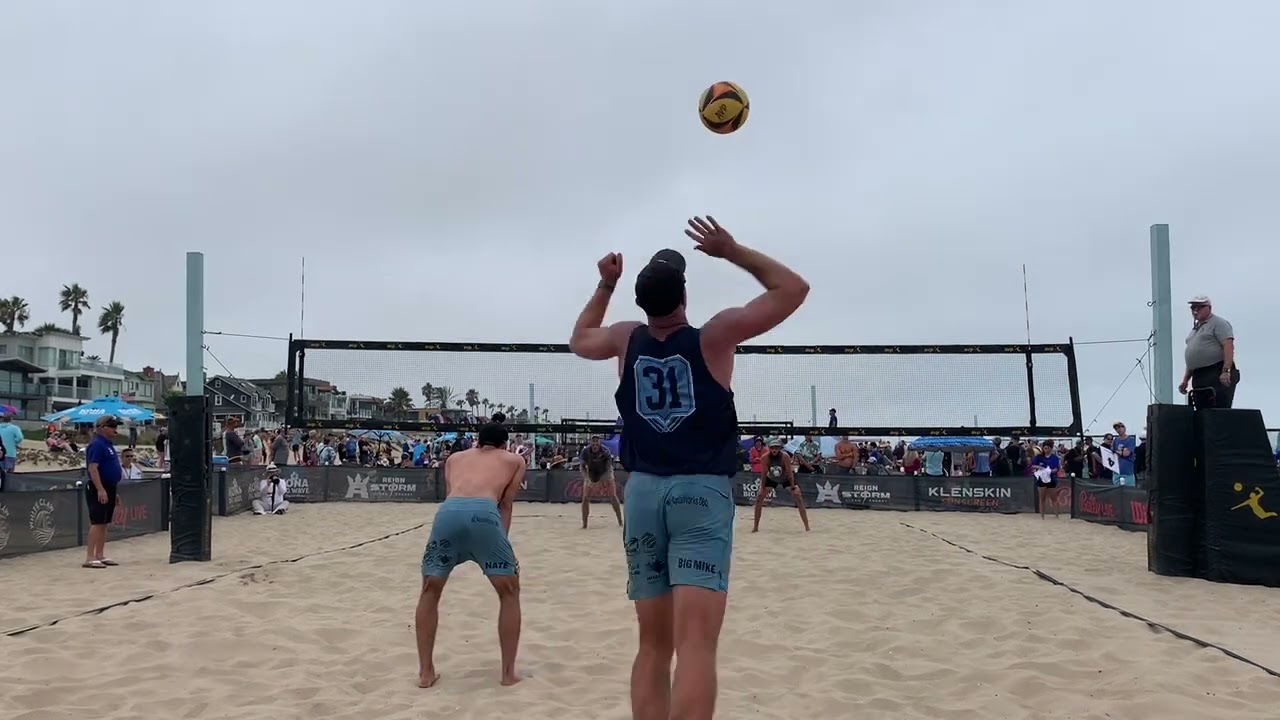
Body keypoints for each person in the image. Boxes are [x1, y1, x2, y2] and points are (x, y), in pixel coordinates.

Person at [567, 215, 809, 720]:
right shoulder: (713, 337)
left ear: (640, 301)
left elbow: (578, 338)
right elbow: (793, 288)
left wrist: (605, 282)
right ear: (684, 297)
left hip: (643, 494)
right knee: (696, 645)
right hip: (701, 492)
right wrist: (731, 249)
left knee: (652, 646)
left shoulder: (625, 337)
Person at [416, 422, 526, 689]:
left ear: (478, 441)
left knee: (430, 589)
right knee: (509, 591)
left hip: (448, 513)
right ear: (504, 444)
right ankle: (508, 673)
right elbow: (506, 505)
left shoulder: (455, 459)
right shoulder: (514, 460)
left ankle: (426, 673)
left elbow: (454, 492)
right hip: (484, 515)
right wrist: (504, 545)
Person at [1180, 295, 1239, 409]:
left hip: (1216, 371)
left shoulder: (1218, 323)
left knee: (1217, 408)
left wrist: (1226, 370)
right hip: (1199, 374)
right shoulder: (1196, 329)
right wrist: (1185, 380)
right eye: (1193, 307)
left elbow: (1228, 345)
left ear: (1209, 308)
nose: (1196, 310)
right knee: (1202, 410)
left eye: (1200, 307)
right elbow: (1194, 358)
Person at [84, 416, 123, 568]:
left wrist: (112, 490)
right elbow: (93, 468)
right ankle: (90, 556)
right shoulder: (97, 444)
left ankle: (100, 554)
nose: (115, 429)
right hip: (98, 487)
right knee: (97, 521)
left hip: (109, 486)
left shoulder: (108, 444)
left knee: (104, 522)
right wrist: (100, 489)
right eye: (112, 426)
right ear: (102, 427)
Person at [751, 437, 810, 533]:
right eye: (772, 448)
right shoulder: (765, 458)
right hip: (771, 478)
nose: (774, 450)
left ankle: (807, 526)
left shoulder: (785, 456)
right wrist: (762, 488)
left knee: (798, 496)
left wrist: (793, 487)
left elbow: (790, 473)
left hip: (785, 478)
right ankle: (755, 527)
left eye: (776, 448)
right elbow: (764, 473)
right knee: (759, 498)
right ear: (769, 448)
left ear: (780, 448)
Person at [579, 434, 622, 529]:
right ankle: (584, 524)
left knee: (612, 495)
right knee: (585, 498)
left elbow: (608, 468)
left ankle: (620, 521)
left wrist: (603, 480)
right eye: (593, 443)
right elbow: (582, 467)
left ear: (599, 444)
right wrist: (587, 479)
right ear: (591, 443)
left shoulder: (605, 451)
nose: (595, 446)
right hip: (591, 472)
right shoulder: (585, 451)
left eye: (596, 443)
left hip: (605, 472)